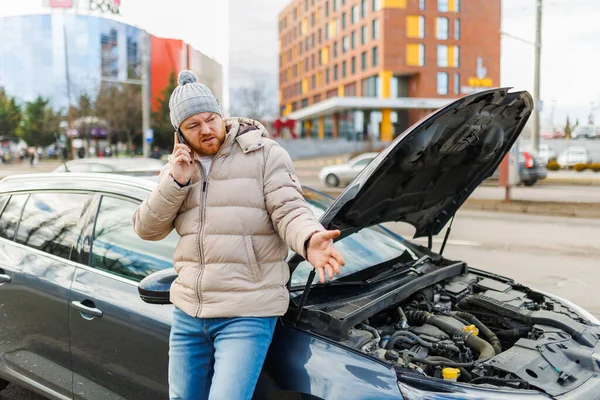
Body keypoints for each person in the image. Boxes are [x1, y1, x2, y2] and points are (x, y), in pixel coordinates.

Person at [132, 70, 345, 400]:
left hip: (246, 312)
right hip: (189, 312)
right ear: (179, 133)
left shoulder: (264, 154)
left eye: (210, 119)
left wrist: (308, 239)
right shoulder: (177, 168)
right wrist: (176, 182)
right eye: (193, 125)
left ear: (221, 115)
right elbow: (146, 229)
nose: (205, 129)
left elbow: (289, 208)